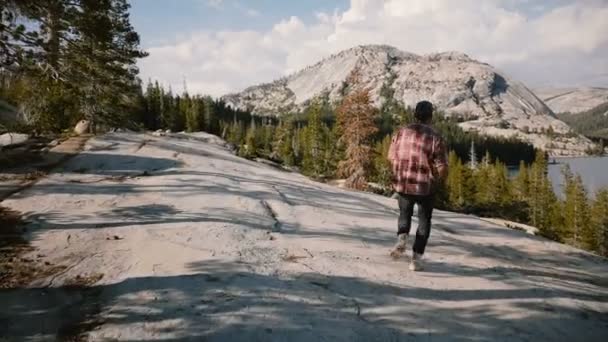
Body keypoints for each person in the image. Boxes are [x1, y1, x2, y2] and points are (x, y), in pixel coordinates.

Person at [387, 100, 448, 271]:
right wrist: (441, 181)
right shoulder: (435, 136)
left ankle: (401, 238)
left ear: (415, 114)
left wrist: (398, 171)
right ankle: (416, 259)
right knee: (424, 220)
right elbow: (442, 165)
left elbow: (390, 157)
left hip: (404, 182)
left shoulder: (401, 132)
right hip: (425, 186)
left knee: (404, 213)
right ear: (431, 115)